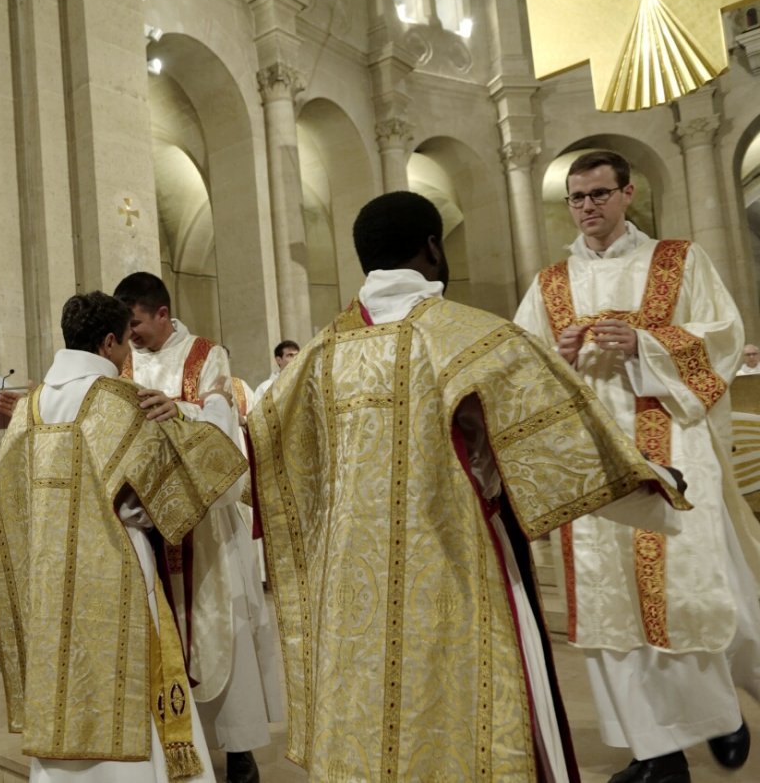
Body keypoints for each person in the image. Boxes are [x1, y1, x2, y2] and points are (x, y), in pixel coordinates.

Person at [250, 190, 690, 782]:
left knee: (368, 724)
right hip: (456, 571)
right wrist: (657, 480)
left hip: (350, 592)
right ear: (433, 248)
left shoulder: (315, 358)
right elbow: (562, 451)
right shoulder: (475, 338)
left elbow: (263, 451)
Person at [515, 150, 760, 782]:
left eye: (599, 194)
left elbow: (725, 336)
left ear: (628, 194)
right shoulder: (550, 284)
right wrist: (558, 353)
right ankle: (655, 750)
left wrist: (647, 343)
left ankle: (719, 714)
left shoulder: (679, 260)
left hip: (673, 443)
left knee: (687, 586)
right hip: (593, 462)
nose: (587, 207)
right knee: (609, 605)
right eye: (576, 198)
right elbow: (520, 367)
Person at [0, 291, 247, 782]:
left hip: (50, 584)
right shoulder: (121, 403)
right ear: (108, 342)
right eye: (126, 343)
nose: (130, 355)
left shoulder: (30, 408)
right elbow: (175, 497)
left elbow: (0, 504)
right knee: (132, 687)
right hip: (119, 575)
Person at [113, 272, 282, 782]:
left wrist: (179, 410)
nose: (133, 334)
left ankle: (238, 754)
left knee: (220, 632)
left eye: (138, 323)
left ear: (162, 313)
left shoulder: (206, 355)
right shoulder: (122, 363)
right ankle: (176, 754)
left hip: (206, 527)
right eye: (128, 326)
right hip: (146, 522)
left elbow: (222, 425)